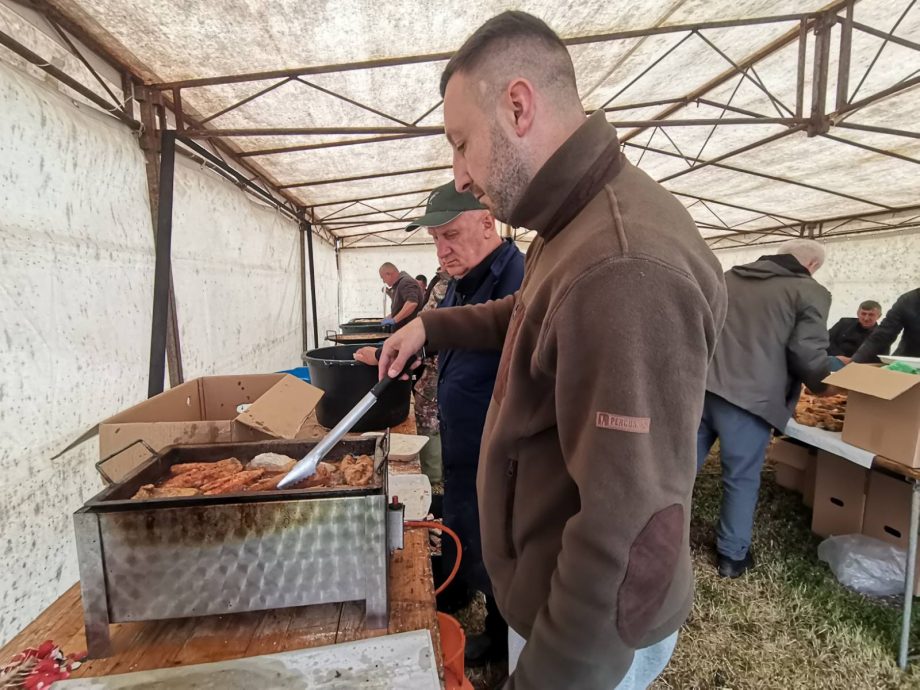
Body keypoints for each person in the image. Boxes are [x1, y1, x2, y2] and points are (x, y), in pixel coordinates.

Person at [377, 12, 726, 690]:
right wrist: (431, 327)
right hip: (544, 590)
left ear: (518, 106)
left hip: (588, 633)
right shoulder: (570, 226)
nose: (461, 175)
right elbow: (528, 315)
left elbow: (624, 531)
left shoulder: (621, 265)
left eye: (462, 144)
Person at [698, 239, 842, 580]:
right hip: (751, 399)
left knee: (680, 467)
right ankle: (731, 556)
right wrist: (824, 386)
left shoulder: (728, 277)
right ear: (812, 265)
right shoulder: (810, 292)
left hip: (702, 387)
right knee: (741, 478)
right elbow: (807, 353)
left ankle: (654, 534)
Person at [850, 288, 920, 363]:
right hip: (906, 362)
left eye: (871, 314)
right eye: (863, 314)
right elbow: (883, 334)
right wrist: (855, 360)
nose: (866, 318)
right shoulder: (908, 300)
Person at [378, 262, 423, 328]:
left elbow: (412, 303)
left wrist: (394, 320)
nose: (383, 281)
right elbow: (401, 308)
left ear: (388, 274)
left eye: (382, 278)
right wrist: (391, 316)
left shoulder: (406, 281)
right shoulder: (399, 284)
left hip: (409, 329)